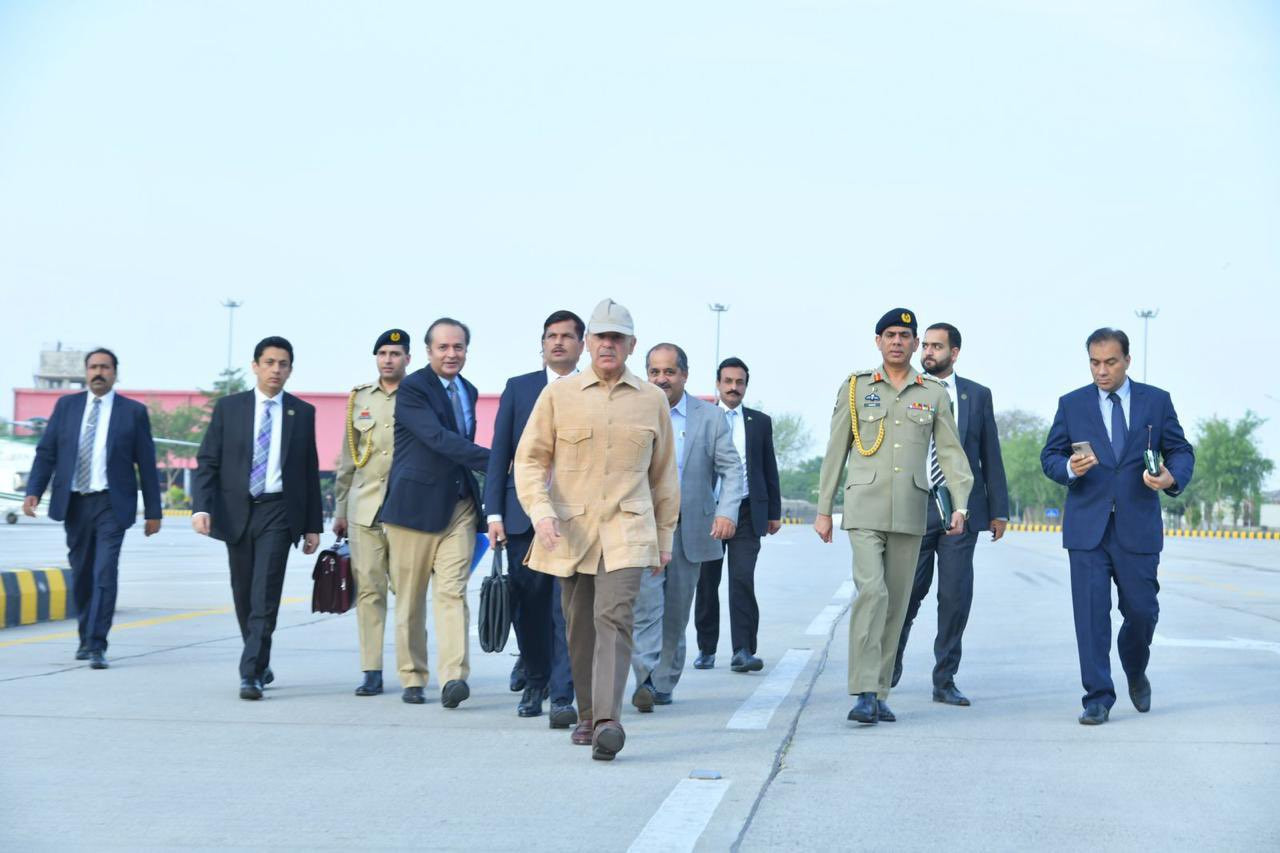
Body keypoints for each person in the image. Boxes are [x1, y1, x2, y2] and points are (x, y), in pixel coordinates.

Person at [514, 298, 679, 761]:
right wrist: (541, 512)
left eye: (617, 338)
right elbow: (529, 460)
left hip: (629, 531)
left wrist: (663, 539)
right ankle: (587, 715)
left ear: (631, 345)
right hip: (572, 532)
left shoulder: (651, 400)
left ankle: (608, 721)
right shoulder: (558, 396)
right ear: (588, 343)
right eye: (601, 337)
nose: (608, 345)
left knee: (614, 619)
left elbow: (664, 476)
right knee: (579, 627)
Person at [814, 309, 973, 725]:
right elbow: (836, 450)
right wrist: (824, 509)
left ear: (917, 344)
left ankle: (880, 692)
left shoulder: (934, 393)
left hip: (910, 510)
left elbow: (952, 452)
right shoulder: (856, 388)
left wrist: (960, 504)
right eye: (890, 335)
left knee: (897, 604)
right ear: (878, 341)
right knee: (873, 593)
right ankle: (864, 690)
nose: (897, 341)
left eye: (905, 335)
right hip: (864, 508)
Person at [1040, 327, 1194, 725]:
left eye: (1110, 362)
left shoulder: (1155, 402)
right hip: (1087, 530)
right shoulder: (1072, 404)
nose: (1101, 371)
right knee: (1091, 617)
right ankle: (1097, 696)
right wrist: (1068, 469)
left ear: (1127, 360)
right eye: (1094, 362)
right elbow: (1050, 456)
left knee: (1142, 612)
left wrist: (1170, 478)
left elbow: (1180, 449)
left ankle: (1135, 667)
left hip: (1138, 526)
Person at [192, 336, 323, 700]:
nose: (276, 370)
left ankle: (250, 673)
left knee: (265, 594)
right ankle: (259, 658)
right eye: (269, 362)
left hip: (279, 512)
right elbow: (208, 461)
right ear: (255, 366)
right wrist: (201, 507)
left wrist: (313, 524)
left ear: (290, 370)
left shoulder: (302, 412)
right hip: (236, 512)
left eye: (283, 364)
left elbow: (308, 470)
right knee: (243, 594)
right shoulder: (229, 408)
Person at [23, 348, 162, 669]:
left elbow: (147, 464)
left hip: (112, 504)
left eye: (105, 367)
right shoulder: (66, 407)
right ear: (86, 372)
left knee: (104, 571)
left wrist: (154, 511)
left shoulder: (133, 412)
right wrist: (34, 490)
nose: (99, 372)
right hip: (74, 503)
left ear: (115, 372)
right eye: (93, 367)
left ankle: (98, 643)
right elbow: (47, 452)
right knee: (83, 573)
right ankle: (86, 637)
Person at [893, 322, 1009, 706]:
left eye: (936, 346)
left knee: (955, 596)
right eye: (924, 345)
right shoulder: (908, 389)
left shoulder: (976, 395)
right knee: (908, 592)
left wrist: (999, 510)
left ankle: (945, 679)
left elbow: (989, 452)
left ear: (954, 352)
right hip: (915, 506)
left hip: (962, 511)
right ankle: (889, 664)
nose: (927, 352)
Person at [380, 318, 489, 708]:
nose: (451, 354)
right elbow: (438, 439)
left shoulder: (469, 390)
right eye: (443, 347)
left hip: (458, 506)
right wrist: (498, 462)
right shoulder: (413, 389)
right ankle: (412, 675)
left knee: (453, 592)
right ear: (428, 352)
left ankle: (454, 678)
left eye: (458, 347)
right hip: (413, 509)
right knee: (410, 599)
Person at [484, 309, 584, 727]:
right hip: (522, 516)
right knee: (528, 608)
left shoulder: (591, 389)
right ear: (542, 344)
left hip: (575, 520)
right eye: (550, 337)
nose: (557, 342)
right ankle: (536, 680)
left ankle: (564, 695)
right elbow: (499, 453)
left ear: (582, 344)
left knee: (567, 610)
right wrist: (493, 513)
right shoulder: (519, 388)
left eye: (566, 336)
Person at [630, 343, 742, 710]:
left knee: (676, 612)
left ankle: (664, 682)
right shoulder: (635, 411)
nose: (662, 379)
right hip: (643, 527)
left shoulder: (709, 418)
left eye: (669, 372)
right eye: (655, 372)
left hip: (689, 528)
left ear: (684, 375)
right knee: (645, 609)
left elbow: (731, 469)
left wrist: (726, 512)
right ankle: (645, 678)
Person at [333, 328, 410, 697]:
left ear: (408, 358)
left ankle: (412, 672)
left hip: (406, 509)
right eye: (382, 353)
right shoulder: (359, 399)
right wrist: (339, 508)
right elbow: (348, 459)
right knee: (369, 591)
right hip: (364, 508)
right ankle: (372, 670)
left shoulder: (418, 395)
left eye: (395, 353)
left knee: (408, 593)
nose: (388, 359)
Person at [693, 356, 782, 673]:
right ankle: (706, 649)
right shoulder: (702, 418)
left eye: (739, 382)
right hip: (708, 513)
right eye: (728, 381)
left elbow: (768, 467)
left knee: (742, 579)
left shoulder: (759, 422)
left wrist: (774, 511)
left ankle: (743, 649)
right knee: (707, 584)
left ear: (746, 385)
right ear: (717, 383)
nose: (733, 387)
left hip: (747, 512)